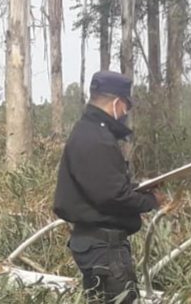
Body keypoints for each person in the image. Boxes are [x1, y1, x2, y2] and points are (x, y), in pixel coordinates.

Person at [53, 70, 161, 303]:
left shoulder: (86, 132)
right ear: (116, 103)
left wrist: (139, 188)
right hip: (104, 249)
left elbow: (103, 183)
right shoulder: (96, 139)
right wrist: (149, 201)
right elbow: (111, 195)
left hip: (95, 247)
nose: (124, 114)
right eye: (125, 108)